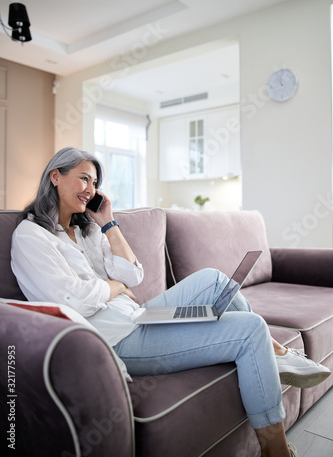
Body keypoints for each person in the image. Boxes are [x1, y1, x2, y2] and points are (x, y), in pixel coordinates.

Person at [11, 147, 331, 457]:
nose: (90, 189)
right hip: (116, 338)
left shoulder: (86, 231)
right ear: (55, 176)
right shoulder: (30, 236)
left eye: (94, 183)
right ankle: (274, 450)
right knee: (250, 329)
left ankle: (276, 352)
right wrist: (113, 287)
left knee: (213, 279)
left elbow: (132, 275)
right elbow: (70, 298)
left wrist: (107, 223)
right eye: (83, 179)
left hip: (137, 316)